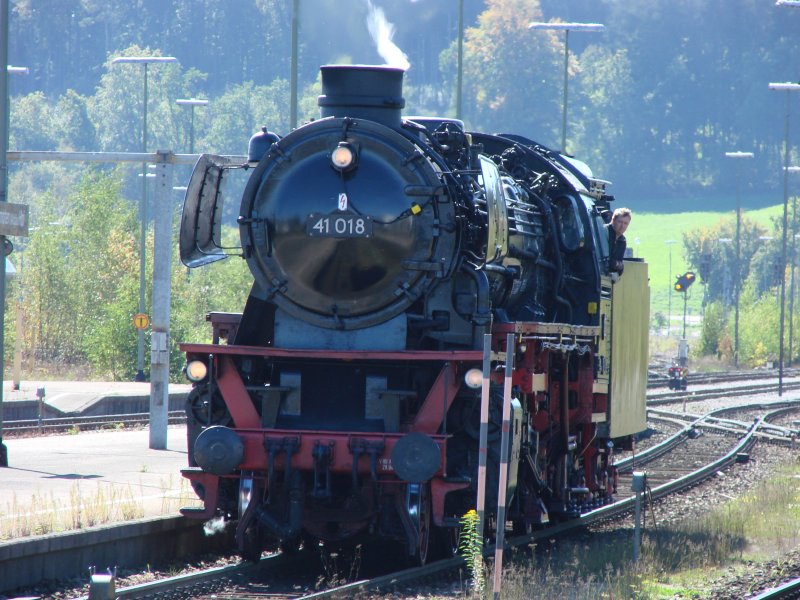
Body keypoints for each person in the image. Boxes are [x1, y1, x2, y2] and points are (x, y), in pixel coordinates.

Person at [606, 207, 631, 276]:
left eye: (625, 223)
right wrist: (616, 264)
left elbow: (620, 267)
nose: (622, 226)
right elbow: (604, 260)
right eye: (620, 222)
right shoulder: (604, 232)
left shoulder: (622, 241)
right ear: (613, 220)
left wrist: (617, 266)